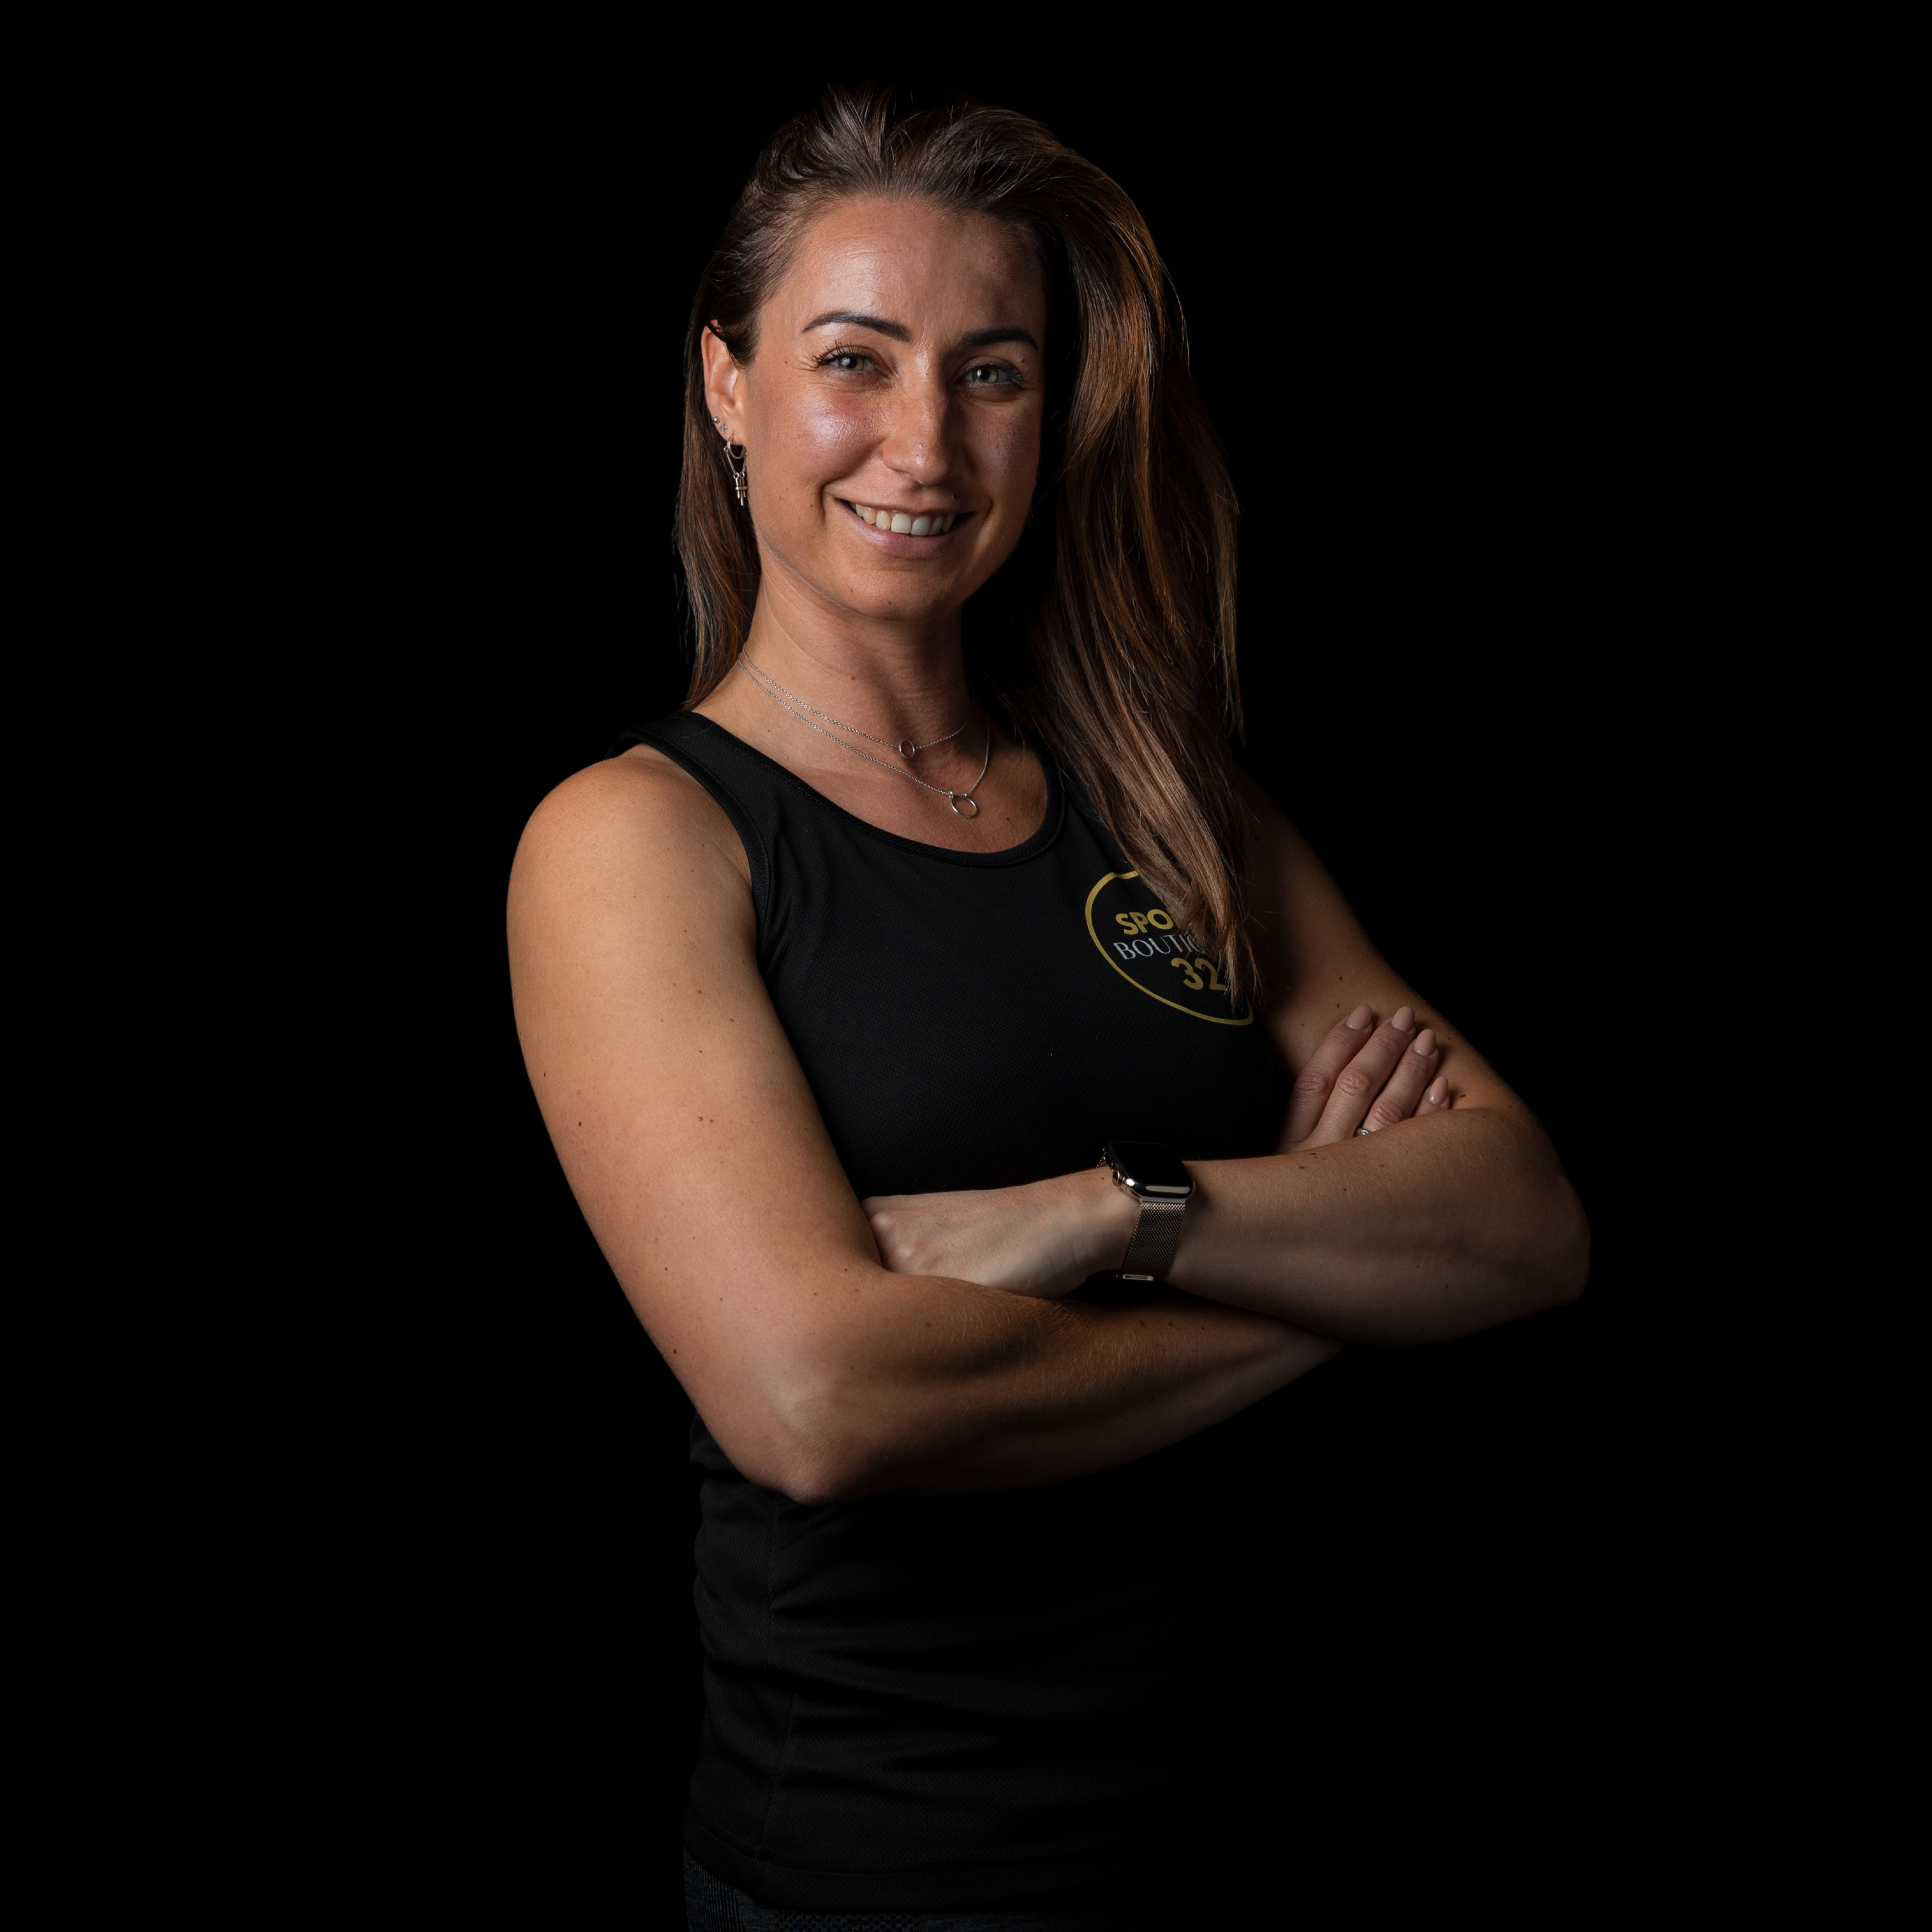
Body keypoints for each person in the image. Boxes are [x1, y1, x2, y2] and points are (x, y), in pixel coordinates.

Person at [507, 84, 1589, 1929]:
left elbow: (1524, 1225)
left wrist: (1103, 1215)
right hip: (905, 1872)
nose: (924, 443)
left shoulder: (1160, 793)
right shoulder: (639, 840)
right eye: (854, 360)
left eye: (990, 372)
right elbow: (819, 1399)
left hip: (1280, 1812)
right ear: (728, 385)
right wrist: (1333, 1289)